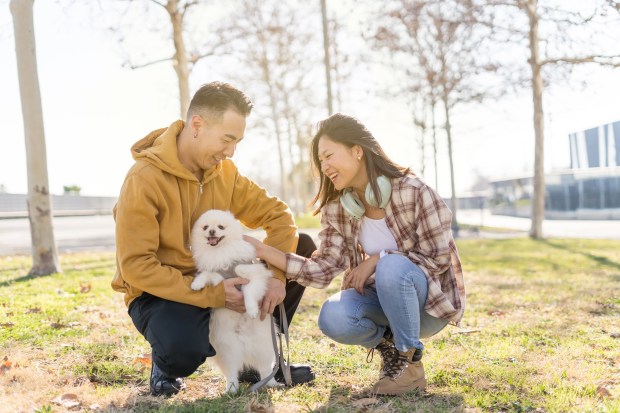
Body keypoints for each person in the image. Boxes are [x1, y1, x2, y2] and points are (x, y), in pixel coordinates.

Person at [112, 81, 315, 397]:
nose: (231, 151)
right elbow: (136, 267)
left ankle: (252, 361)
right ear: (197, 125)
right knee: (183, 351)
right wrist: (215, 295)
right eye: (227, 139)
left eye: (237, 142)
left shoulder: (225, 173)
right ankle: (164, 364)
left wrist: (276, 277)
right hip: (164, 293)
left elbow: (280, 218)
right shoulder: (143, 179)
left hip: (217, 277)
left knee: (301, 249)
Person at [244, 113, 466, 396]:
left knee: (390, 267)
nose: (324, 167)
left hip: (428, 307)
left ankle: (411, 366)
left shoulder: (413, 191)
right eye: (320, 161)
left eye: (328, 156)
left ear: (357, 150)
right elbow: (322, 269)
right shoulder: (339, 207)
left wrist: (377, 259)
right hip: (383, 302)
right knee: (333, 316)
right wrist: (265, 251)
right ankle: (392, 350)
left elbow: (439, 258)